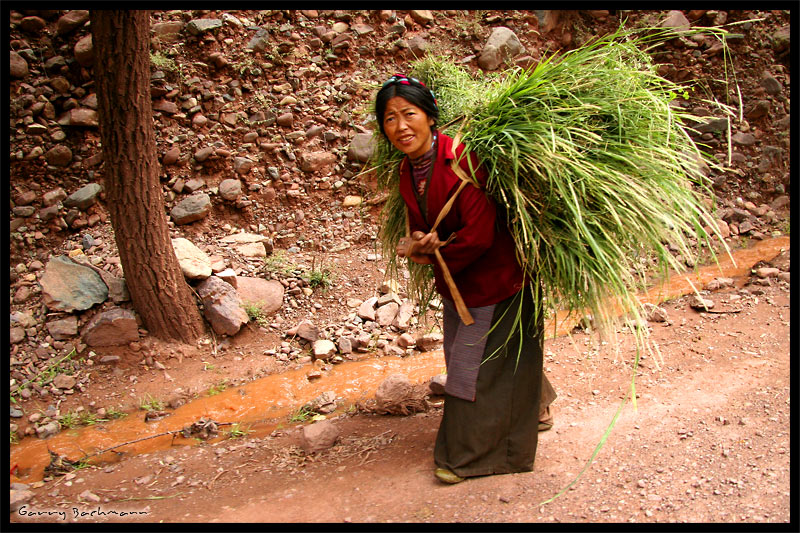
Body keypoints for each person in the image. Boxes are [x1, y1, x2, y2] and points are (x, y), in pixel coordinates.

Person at [375, 74, 557, 484]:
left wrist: (430, 254)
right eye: (390, 119)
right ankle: (538, 406)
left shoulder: (462, 161)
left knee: (470, 367)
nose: (401, 126)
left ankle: (475, 456)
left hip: (497, 277)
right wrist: (422, 241)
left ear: (430, 116)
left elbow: (478, 236)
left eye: (409, 114)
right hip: (460, 282)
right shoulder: (409, 170)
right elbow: (427, 223)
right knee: (483, 353)